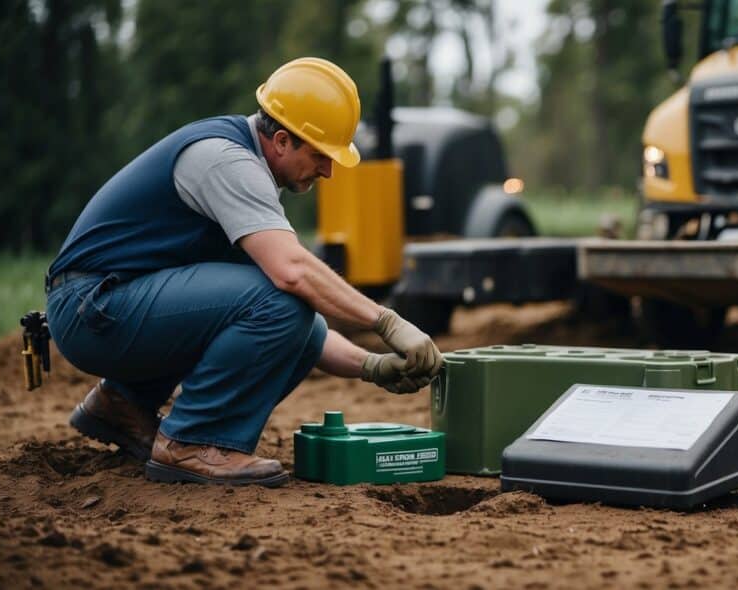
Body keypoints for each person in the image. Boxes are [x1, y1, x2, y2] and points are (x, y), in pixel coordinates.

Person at [44, 57, 443, 488]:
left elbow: (302, 316)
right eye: (319, 155)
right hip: (92, 308)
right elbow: (292, 275)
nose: (328, 171)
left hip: (110, 306)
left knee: (298, 321)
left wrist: (371, 365)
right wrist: (387, 321)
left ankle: (122, 404)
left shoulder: (247, 169)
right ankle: (192, 443)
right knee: (282, 302)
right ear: (283, 140)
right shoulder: (227, 163)